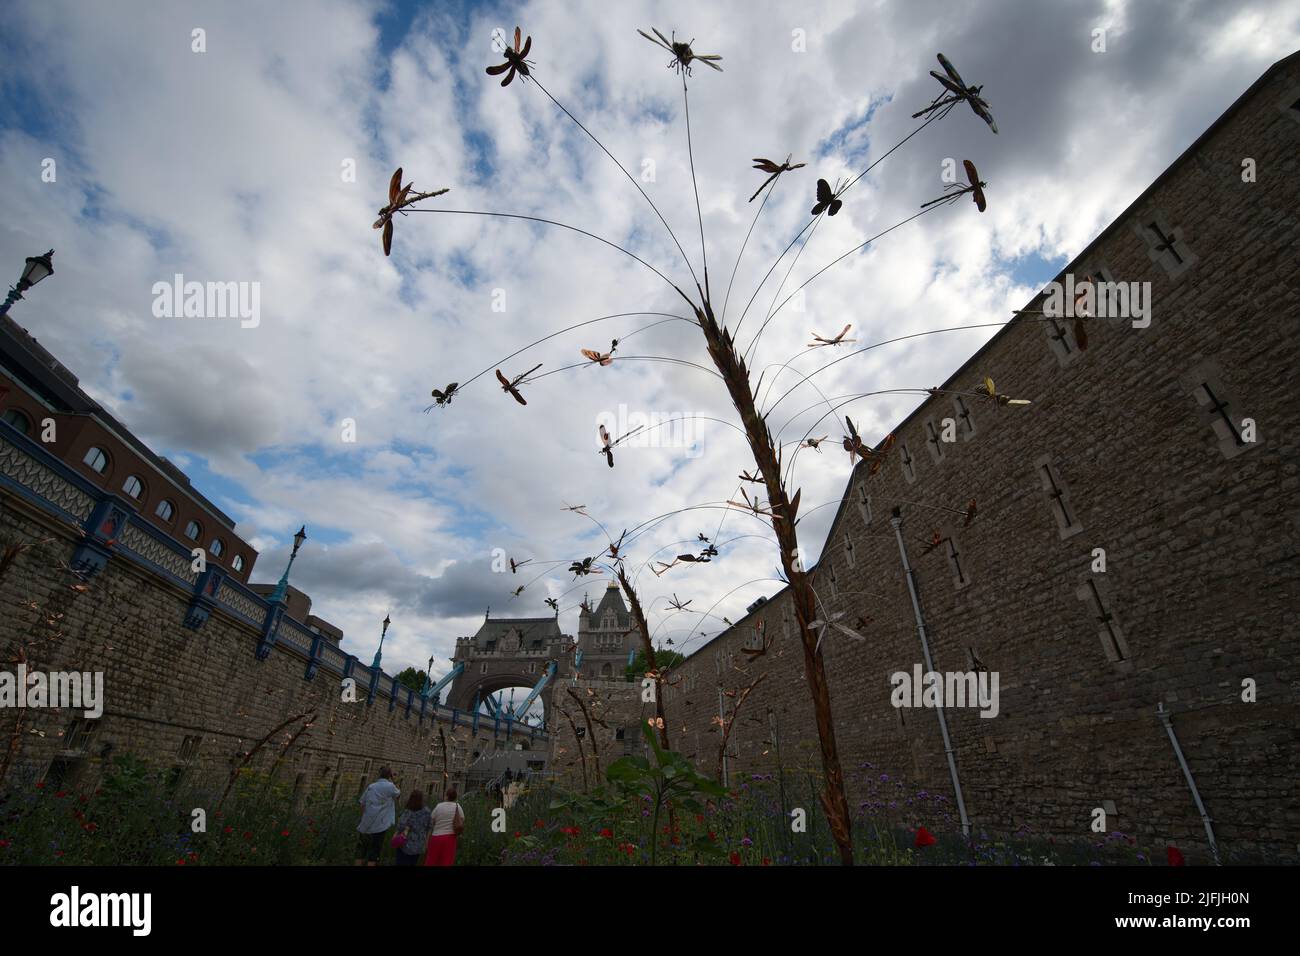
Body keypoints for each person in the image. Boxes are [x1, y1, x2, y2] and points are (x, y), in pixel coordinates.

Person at [355, 767, 400, 866]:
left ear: (379, 774)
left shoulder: (371, 786)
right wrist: (394, 780)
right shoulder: (390, 786)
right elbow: (398, 795)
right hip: (380, 824)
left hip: (366, 823)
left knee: (361, 850)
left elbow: (362, 803)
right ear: (389, 776)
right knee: (374, 851)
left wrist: (363, 818)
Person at [424, 786, 465, 867]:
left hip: (436, 836)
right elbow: (462, 820)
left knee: (432, 860)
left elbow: (431, 820)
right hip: (450, 837)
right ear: (455, 797)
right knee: (447, 861)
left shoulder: (439, 806)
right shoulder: (458, 807)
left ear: (446, 796)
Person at [393, 790, 432, 866]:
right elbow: (429, 827)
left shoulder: (408, 812)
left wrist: (395, 836)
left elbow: (400, 826)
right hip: (418, 845)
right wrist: (426, 843)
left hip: (405, 844)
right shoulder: (427, 812)